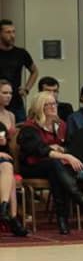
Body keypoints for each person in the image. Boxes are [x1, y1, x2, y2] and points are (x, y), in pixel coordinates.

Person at [17, 92, 83, 234]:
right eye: (48, 104)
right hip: (32, 166)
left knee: (57, 173)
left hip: (55, 167)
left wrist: (63, 150)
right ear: (40, 107)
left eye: (54, 103)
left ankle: (63, 220)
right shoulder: (30, 127)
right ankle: (78, 200)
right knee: (55, 165)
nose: (53, 107)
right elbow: (38, 149)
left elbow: (71, 146)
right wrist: (64, 156)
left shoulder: (61, 125)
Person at [0, 80, 27, 236]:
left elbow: (13, 145)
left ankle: (5, 210)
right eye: (4, 93)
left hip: (5, 158)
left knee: (8, 169)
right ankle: (12, 218)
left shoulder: (11, 115)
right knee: (7, 168)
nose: (8, 96)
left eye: (10, 93)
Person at [0, 19, 39, 122]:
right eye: (8, 32)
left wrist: (26, 89)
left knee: (21, 131)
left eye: (13, 32)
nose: (12, 35)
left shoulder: (21, 53)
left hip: (16, 101)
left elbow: (34, 71)